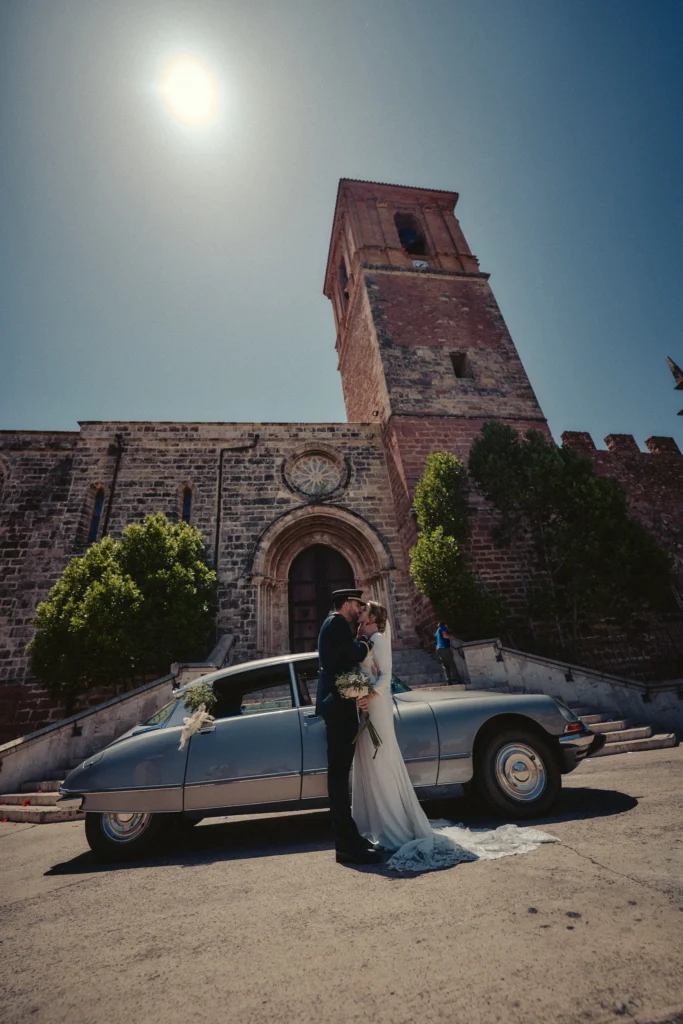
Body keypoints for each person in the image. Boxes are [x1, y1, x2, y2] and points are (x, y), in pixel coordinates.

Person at [351, 600, 559, 873]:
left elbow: (386, 674)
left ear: (375, 616)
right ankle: (380, 821)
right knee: (372, 761)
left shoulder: (377, 637)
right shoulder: (364, 639)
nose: (360, 611)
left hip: (377, 704)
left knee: (382, 759)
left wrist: (368, 694)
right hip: (368, 704)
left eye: (364, 608)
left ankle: (395, 825)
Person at [316, 588, 382, 865]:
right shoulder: (338, 623)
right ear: (346, 605)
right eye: (357, 604)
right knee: (339, 776)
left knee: (341, 775)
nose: (359, 608)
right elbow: (354, 653)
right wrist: (368, 642)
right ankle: (345, 845)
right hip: (339, 706)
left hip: (340, 705)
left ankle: (350, 837)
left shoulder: (334, 623)